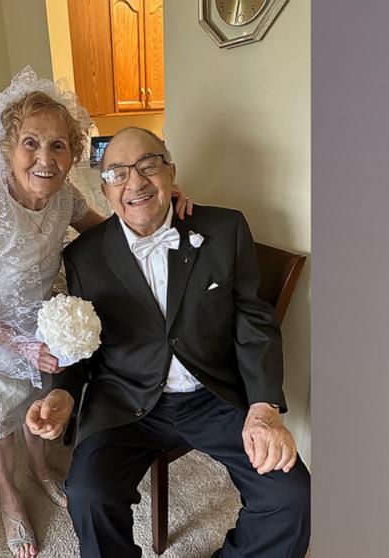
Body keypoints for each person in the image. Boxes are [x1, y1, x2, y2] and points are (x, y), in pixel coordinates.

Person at [0, 69, 192, 558]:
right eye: (31, 143)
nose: (45, 159)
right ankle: (9, 497)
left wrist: (158, 206)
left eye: (59, 146)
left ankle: (42, 467)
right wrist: (22, 344)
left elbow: (107, 233)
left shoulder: (65, 196)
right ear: (8, 147)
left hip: (35, 319)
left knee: (38, 402)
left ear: (74, 154)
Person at [26, 127, 311, 558]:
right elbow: (79, 342)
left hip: (212, 394)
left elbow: (254, 323)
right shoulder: (83, 256)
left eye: (148, 165)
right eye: (118, 173)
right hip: (125, 400)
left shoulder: (224, 228)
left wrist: (264, 406)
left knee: (291, 496)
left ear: (170, 170)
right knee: (88, 493)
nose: (135, 182)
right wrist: (64, 391)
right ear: (105, 191)